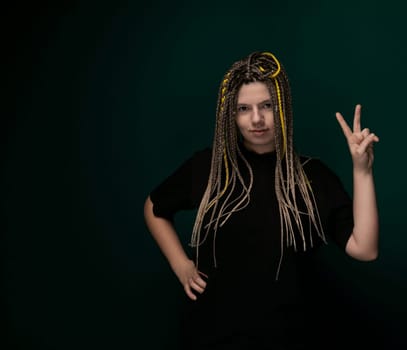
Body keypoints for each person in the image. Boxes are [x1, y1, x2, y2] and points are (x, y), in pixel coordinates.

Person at [143, 51, 380, 349]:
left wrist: (363, 172)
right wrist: (181, 265)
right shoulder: (209, 167)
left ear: (283, 108)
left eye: (267, 106)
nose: (257, 119)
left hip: (291, 336)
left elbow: (365, 248)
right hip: (211, 336)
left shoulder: (313, 176)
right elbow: (154, 207)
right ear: (231, 113)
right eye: (244, 108)